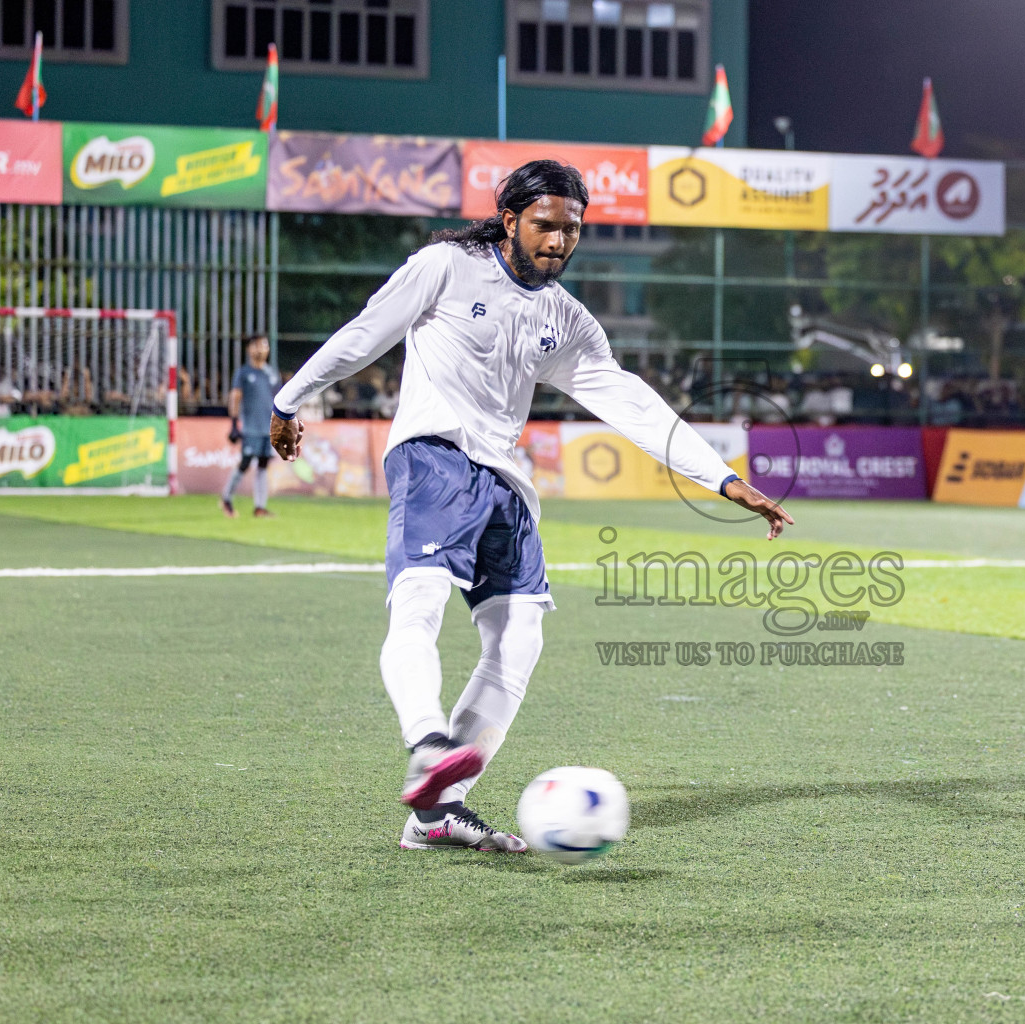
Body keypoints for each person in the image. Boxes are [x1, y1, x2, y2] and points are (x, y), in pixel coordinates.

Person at [268, 161, 793, 853]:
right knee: (420, 600)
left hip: (506, 482)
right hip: (435, 455)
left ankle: (439, 812)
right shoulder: (446, 267)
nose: (559, 240)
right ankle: (428, 745)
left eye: (572, 229)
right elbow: (368, 332)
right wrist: (289, 398)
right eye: (546, 224)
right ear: (510, 218)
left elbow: (628, 400)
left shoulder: (566, 318)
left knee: (521, 636)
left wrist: (721, 478)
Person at [222, 334, 280, 518]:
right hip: (251, 428)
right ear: (249, 349)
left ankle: (260, 507)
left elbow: (279, 399)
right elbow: (235, 397)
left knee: (263, 464)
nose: (261, 348)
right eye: (256, 345)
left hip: (268, 428)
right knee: (246, 462)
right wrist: (233, 424)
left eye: (264, 344)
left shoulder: (272, 374)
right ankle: (226, 497)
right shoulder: (244, 373)